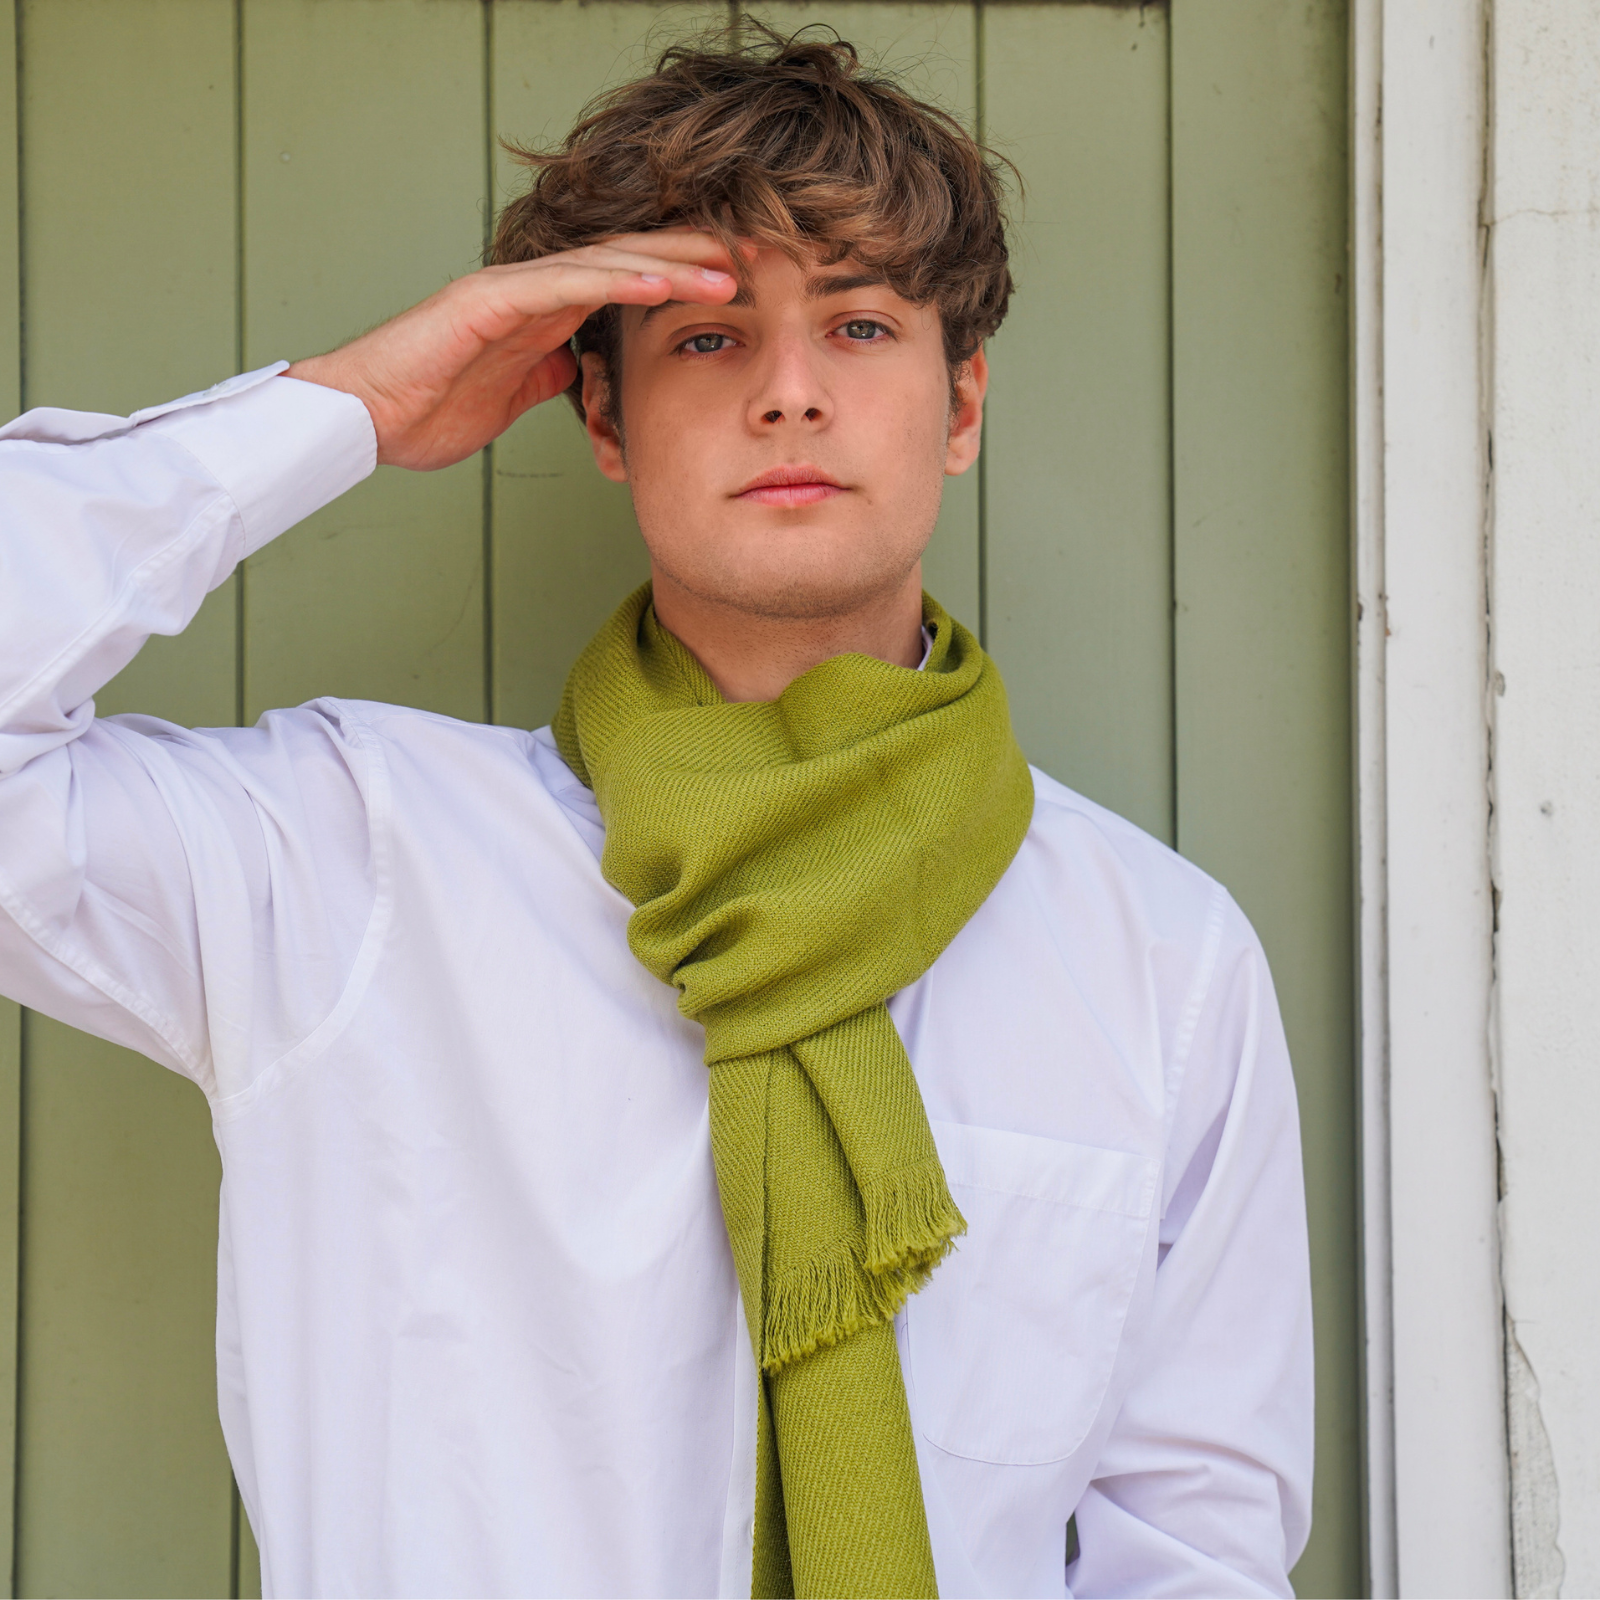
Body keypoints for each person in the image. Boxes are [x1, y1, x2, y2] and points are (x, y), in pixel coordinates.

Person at [0, 27, 1312, 1600]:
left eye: (861, 323)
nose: (791, 397)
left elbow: (1195, 1551)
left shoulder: (1158, 960)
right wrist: (350, 403)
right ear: (601, 420)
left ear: (961, 407)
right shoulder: (348, 860)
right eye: (707, 341)